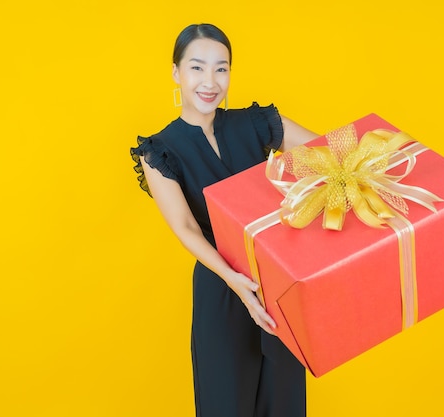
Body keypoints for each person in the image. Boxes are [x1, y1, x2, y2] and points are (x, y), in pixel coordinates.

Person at [130, 23, 318, 417]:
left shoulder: (253, 123)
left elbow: (326, 152)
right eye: (197, 68)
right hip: (222, 288)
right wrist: (234, 280)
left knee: (285, 403)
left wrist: (376, 158)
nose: (210, 81)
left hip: (278, 286)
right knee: (225, 405)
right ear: (176, 73)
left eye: (221, 68)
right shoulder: (159, 150)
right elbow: (185, 227)